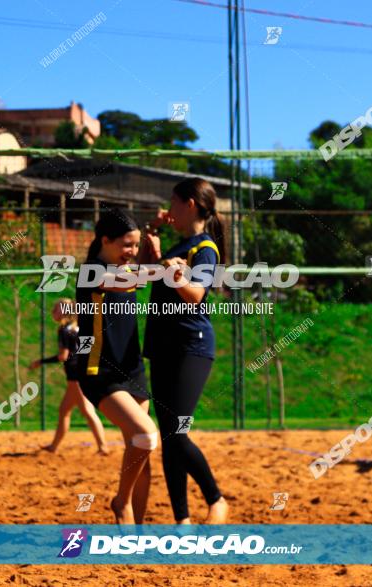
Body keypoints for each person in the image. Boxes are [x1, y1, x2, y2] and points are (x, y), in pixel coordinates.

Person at [140, 178, 229, 525]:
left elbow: (195, 295)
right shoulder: (181, 245)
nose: (169, 208)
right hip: (163, 344)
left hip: (191, 346)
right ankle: (182, 522)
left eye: (172, 202)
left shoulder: (204, 248)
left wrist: (173, 271)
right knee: (169, 436)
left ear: (189, 204)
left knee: (176, 433)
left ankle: (216, 500)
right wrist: (155, 239)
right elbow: (150, 274)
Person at [75, 208, 158, 525]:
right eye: (127, 245)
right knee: (147, 436)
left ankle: (136, 534)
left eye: (136, 246)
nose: (132, 252)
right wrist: (164, 268)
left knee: (141, 454)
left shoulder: (124, 269)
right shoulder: (92, 272)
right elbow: (126, 283)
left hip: (133, 369)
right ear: (105, 240)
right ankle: (121, 503)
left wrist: (155, 253)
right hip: (101, 373)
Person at [29, 299, 109, 455]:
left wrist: (40, 361)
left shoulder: (64, 329)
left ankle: (103, 446)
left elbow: (63, 356)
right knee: (64, 410)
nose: (53, 311)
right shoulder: (79, 327)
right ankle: (53, 447)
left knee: (87, 410)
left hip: (75, 375)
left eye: (56, 308)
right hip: (82, 373)